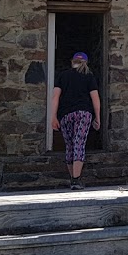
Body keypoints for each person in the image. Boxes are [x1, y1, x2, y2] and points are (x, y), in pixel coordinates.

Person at [50, 51, 101, 190]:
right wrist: (98, 117)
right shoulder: (88, 76)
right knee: (79, 143)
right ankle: (76, 180)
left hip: (65, 114)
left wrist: (53, 116)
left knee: (70, 146)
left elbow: (55, 97)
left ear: (72, 62)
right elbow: (95, 98)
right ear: (86, 63)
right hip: (84, 113)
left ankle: (73, 178)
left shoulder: (62, 76)